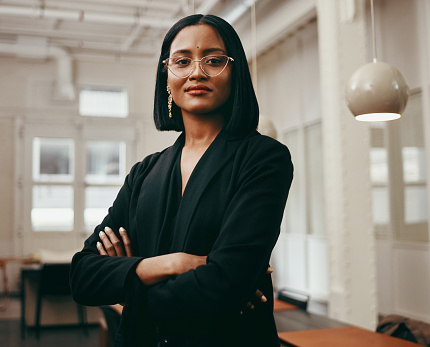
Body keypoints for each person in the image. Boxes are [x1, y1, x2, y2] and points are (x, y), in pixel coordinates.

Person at [70, 14, 293, 347]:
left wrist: (129, 282)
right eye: (182, 60)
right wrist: (170, 264)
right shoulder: (144, 173)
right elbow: (83, 276)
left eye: (214, 60)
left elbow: (225, 284)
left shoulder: (263, 158)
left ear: (235, 73)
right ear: (167, 74)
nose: (197, 72)